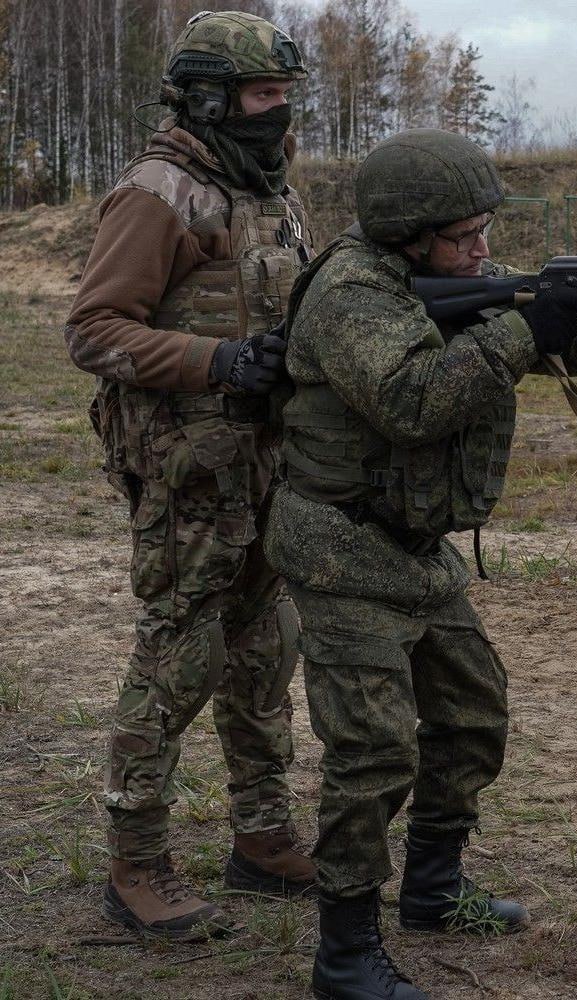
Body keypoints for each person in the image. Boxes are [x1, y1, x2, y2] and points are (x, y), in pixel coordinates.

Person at [264, 127, 577, 1000]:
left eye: (486, 232)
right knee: (372, 750)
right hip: (342, 549)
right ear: (408, 235)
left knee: (471, 715)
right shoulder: (351, 294)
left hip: (411, 552)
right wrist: (514, 329)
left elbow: (551, 346)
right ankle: (344, 956)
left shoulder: (436, 283)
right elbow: (414, 400)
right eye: (465, 238)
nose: (482, 251)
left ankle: (431, 888)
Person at [64, 10, 316, 939]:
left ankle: (262, 838)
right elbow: (94, 329)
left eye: (286, 96)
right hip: (186, 473)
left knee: (264, 652)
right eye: (262, 95)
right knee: (179, 656)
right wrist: (215, 362)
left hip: (266, 464)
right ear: (209, 99)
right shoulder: (159, 193)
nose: (278, 113)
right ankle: (136, 863)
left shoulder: (275, 193)